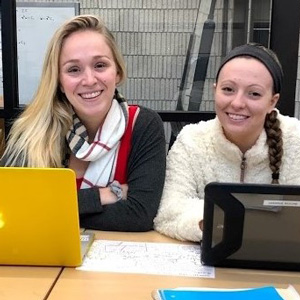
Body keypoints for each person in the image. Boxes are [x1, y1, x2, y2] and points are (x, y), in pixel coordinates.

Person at [0, 15, 166, 232]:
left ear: (117, 72)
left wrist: (50, 210)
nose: (89, 80)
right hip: (48, 263)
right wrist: (100, 195)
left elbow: (140, 215)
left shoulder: (142, 125)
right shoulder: (32, 132)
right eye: (73, 69)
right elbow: (10, 208)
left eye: (100, 65)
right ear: (59, 81)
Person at [154, 43, 300, 241]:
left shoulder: (295, 139)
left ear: (272, 102)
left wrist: (227, 218)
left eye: (254, 93)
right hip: (209, 260)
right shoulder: (191, 140)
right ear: (215, 91)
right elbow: (168, 213)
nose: (238, 103)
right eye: (228, 89)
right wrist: (215, 224)